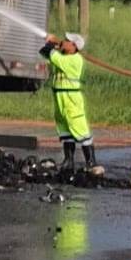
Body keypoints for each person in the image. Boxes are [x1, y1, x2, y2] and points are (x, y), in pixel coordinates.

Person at [41, 33, 103, 176]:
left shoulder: (75, 60)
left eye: (67, 41)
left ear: (74, 46)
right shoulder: (64, 56)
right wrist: (55, 45)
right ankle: (68, 161)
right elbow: (44, 53)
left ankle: (91, 162)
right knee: (65, 130)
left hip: (72, 98)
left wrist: (51, 43)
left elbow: (49, 53)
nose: (64, 41)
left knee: (80, 129)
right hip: (60, 97)